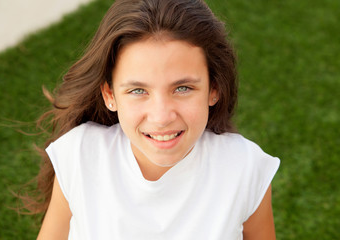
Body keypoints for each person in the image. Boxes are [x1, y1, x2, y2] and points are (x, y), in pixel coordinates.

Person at [30, 0, 280, 239]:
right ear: (110, 95)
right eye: (138, 91)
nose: (161, 117)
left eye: (182, 88)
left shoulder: (244, 168)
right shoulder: (80, 155)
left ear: (214, 88)